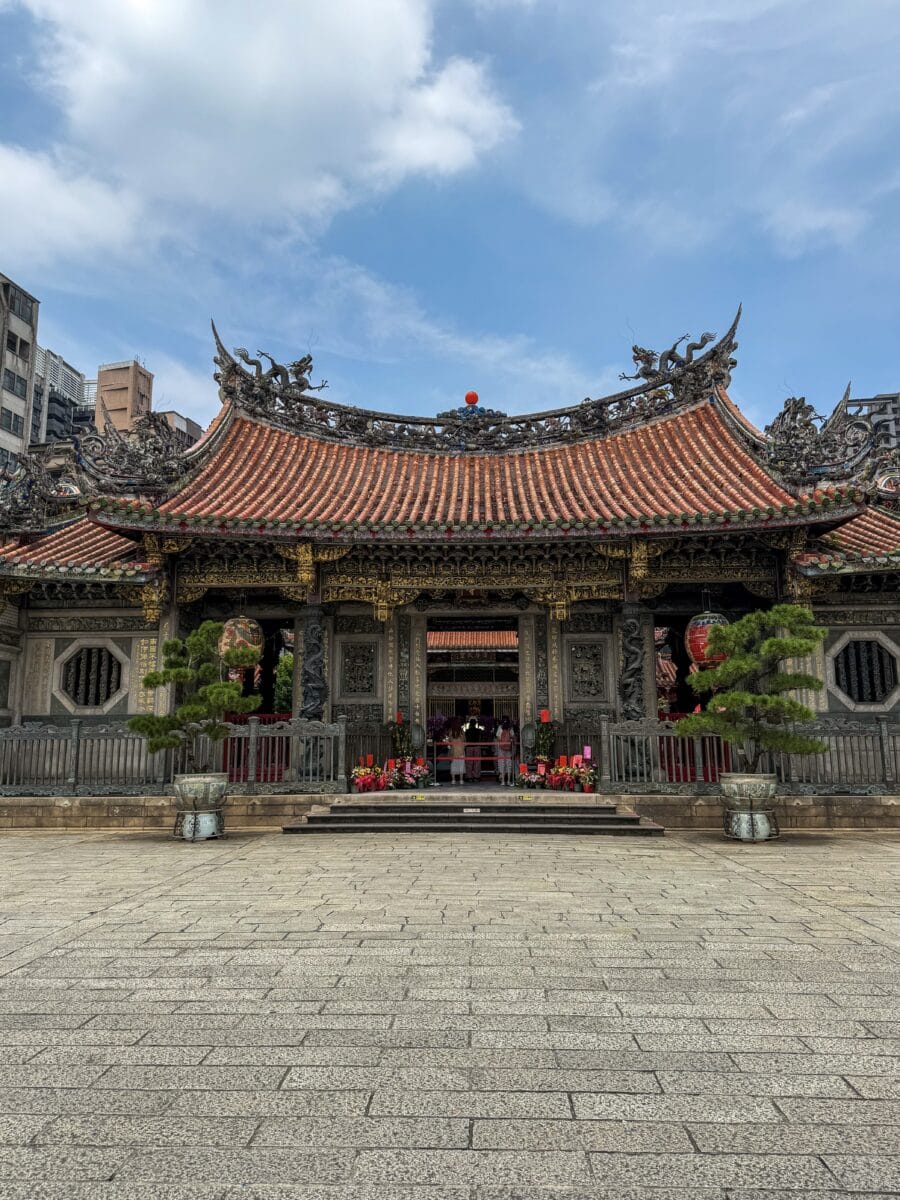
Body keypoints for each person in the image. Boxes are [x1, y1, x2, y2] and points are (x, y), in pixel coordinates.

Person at [496, 716, 515, 786]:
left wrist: (502, 741)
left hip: (501, 748)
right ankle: (509, 781)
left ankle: (503, 781)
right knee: (508, 764)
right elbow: (513, 737)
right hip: (508, 748)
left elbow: (498, 737)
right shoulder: (510, 728)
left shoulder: (500, 727)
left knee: (502, 763)